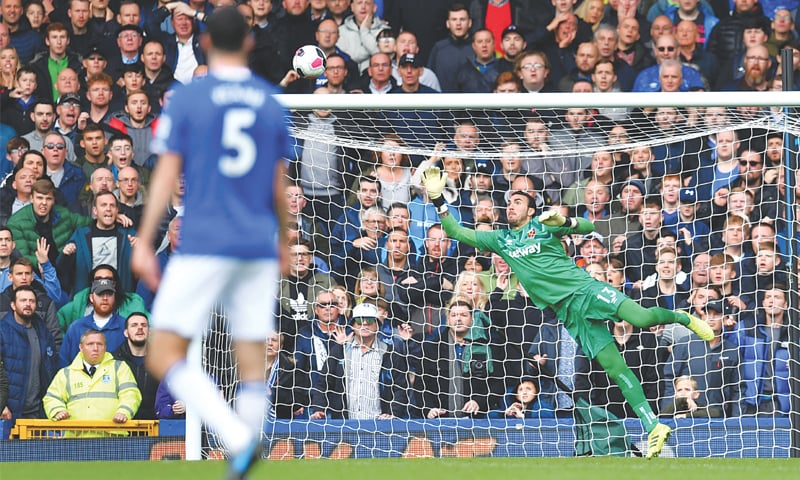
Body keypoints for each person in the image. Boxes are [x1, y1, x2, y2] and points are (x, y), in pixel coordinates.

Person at [420, 166, 716, 458]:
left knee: (642, 318)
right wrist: (437, 199)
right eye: (509, 202)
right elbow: (456, 231)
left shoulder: (544, 225)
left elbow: (590, 228)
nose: (511, 205)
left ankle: (684, 317)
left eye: (518, 201)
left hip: (586, 290)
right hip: (569, 312)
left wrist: (566, 221)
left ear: (532, 210)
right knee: (615, 368)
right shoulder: (502, 240)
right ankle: (653, 427)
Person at [131, 8, 290, 479]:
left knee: (163, 352)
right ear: (248, 42)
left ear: (203, 42)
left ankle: (235, 436)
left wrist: (144, 240)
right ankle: (245, 450)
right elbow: (279, 184)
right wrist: (284, 238)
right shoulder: (268, 101)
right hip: (256, 242)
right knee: (251, 360)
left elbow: (165, 173)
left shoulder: (189, 97)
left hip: (204, 240)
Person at [43, 329, 142, 433]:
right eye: (90, 344)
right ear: (81, 347)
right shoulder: (66, 373)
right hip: (76, 441)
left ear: (105, 347)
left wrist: (124, 412)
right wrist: (58, 410)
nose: (95, 348)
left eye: (100, 344)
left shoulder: (119, 368)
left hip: (113, 440)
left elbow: (131, 394)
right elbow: (51, 397)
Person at [0, 285, 58, 420]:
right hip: (9, 413)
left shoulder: (44, 332)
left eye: (32, 301)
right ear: (13, 305)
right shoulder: (2, 331)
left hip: (38, 411)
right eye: (23, 300)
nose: (28, 304)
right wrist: (1, 405)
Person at [112, 312, 158, 420]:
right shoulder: (113, 360)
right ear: (126, 333)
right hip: (122, 424)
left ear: (149, 332)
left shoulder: (160, 360)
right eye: (134, 325)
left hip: (155, 426)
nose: (140, 328)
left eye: (144, 325)